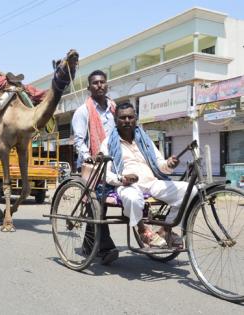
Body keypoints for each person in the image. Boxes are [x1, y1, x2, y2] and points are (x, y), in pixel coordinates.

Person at [100, 102, 197, 247]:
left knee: (191, 190)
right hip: (128, 185)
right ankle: (143, 230)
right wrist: (123, 179)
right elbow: (105, 174)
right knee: (132, 198)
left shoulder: (145, 140)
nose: (127, 121)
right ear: (116, 120)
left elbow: (159, 164)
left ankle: (165, 229)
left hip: (152, 182)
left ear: (136, 118)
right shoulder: (108, 143)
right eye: (123, 118)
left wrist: (169, 165)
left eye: (130, 117)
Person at [71, 70, 118, 265]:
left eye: (102, 82)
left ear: (107, 85)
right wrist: (88, 157)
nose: (99, 85)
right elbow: (79, 141)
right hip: (93, 166)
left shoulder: (114, 109)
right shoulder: (83, 111)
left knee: (102, 206)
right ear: (89, 87)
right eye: (95, 83)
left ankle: (88, 246)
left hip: (114, 164)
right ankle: (106, 247)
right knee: (96, 204)